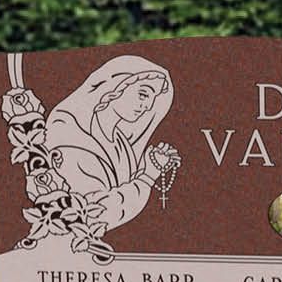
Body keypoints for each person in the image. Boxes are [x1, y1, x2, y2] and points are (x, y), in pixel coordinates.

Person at [44, 55, 180, 232]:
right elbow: (97, 213)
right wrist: (148, 175)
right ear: (116, 86)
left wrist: (153, 163)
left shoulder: (122, 145)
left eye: (152, 100)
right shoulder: (71, 140)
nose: (147, 106)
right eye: (143, 94)